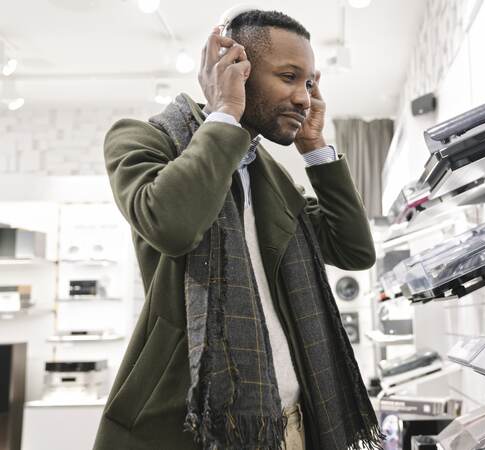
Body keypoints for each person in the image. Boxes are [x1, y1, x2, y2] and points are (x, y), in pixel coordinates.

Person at [94, 9, 383, 450]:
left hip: (296, 425)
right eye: (288, 76)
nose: (305, 98)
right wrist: (227, 111)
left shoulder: (272, 178)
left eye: (308, 83)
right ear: (236, 69)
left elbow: (353, 250)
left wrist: (315, 147)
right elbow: (173, 224)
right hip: (191, 426)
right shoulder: (142, 139)